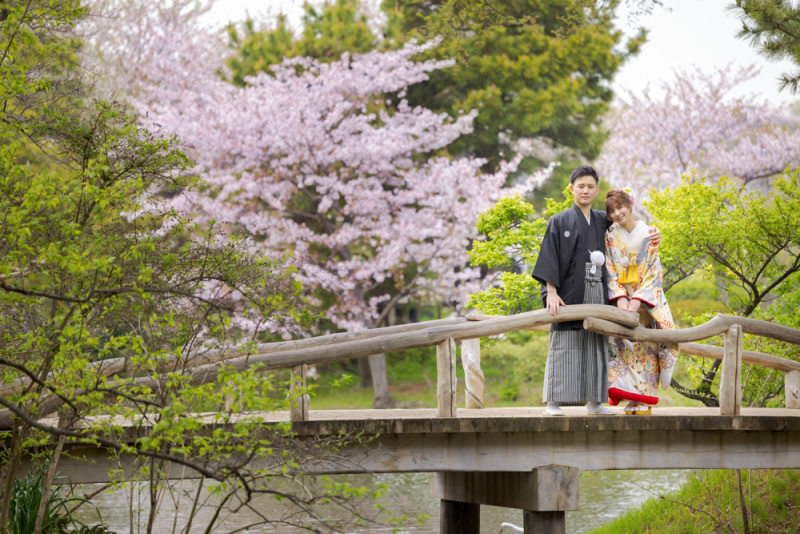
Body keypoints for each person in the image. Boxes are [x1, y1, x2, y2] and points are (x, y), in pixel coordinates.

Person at [532, 166, 622, 416]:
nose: (585, 190)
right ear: (571, 189)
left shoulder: (604, 219)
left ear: (596, 191)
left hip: (598, 289)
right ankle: (553, 402)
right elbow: (549, 257)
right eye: (580, 186)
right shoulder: (559, 220)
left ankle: (595, 403)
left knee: (596, 344)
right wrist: (551, 291)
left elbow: (628, 228)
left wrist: (651, 232)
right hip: (568, 290)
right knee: (564, 343)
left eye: (590, 186)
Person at [604, 188, 678, 415]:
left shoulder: (648, 233)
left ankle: (645, 399)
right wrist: (619, 299)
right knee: (625, 346)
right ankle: (631, 398)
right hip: (622, 300)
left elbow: (654, 270)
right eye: (612, 211)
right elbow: (609, 268)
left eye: (620, 208)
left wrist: (637, 300)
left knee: (647, 346)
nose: (617, 213)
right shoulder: (609, 235)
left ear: (630, 206)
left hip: (645, 302)